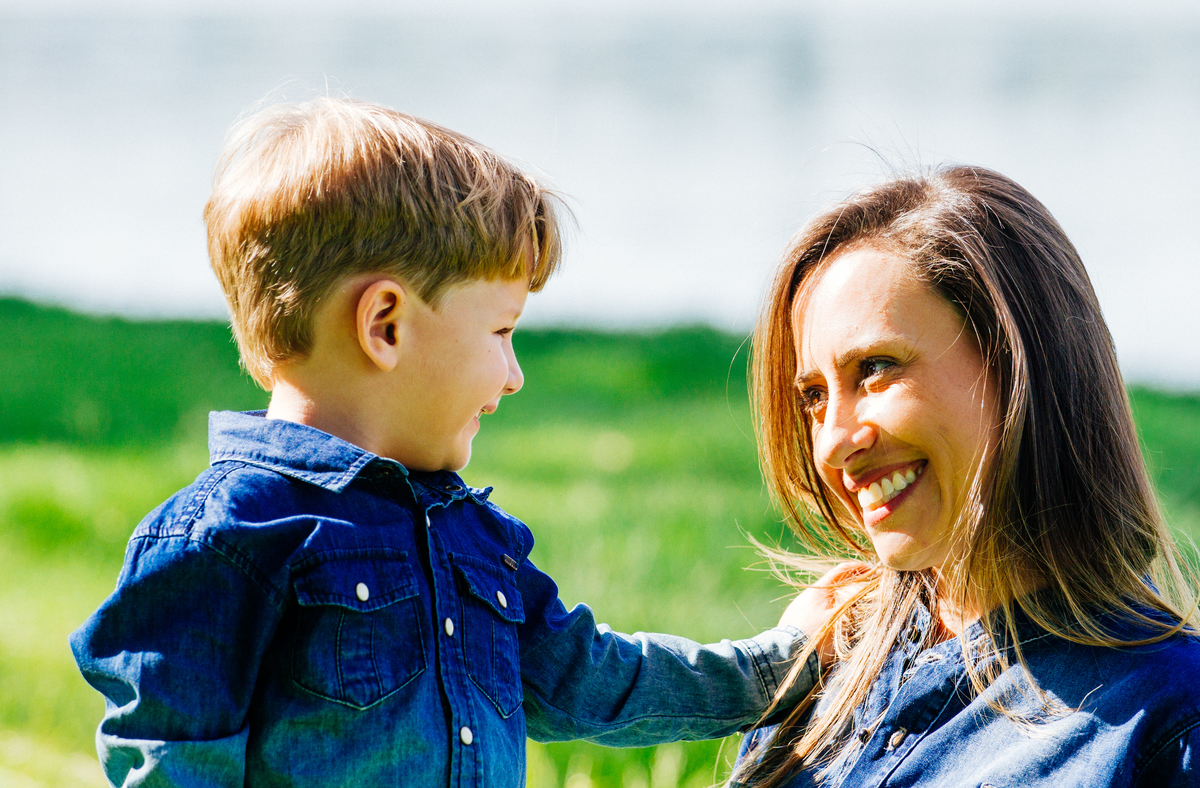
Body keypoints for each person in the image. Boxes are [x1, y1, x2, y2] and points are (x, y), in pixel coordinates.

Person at [68, 97, 822, 788]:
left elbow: (595, 680)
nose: (515, 375)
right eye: (501, 331)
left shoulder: (473, 542)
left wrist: (780, 668)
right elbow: (170, 767)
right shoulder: (229, 539)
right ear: (386, 326)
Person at [732, 165, 1200, 788]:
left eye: (875, 368)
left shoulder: (1169, 724)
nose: (833, 444)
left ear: (1019, 363)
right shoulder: (822, 665)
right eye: (815, 397)